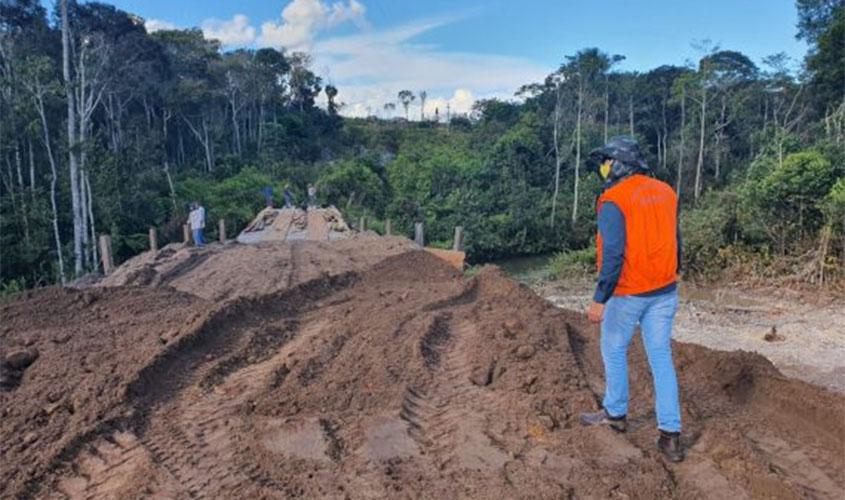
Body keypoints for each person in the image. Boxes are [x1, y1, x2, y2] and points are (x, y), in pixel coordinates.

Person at [578, 136, 685, 463]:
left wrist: (600, 298)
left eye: (607, 161)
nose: (603, 167)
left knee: (613, 348)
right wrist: (675, 270)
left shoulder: (614, 200)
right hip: (665, 291)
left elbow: (612, 255)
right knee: (661, 358)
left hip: (628, 293)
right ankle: (670, 436)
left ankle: (615, 414)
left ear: (620, 163)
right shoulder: (666, 191)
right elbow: (675, 237)